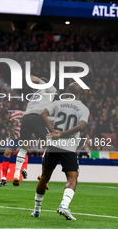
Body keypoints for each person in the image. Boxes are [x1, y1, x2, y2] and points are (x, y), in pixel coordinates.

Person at [31, 82, 90, 220]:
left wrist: (52, 130)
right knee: (72, 178)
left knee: (44, 177)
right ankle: (64, 205)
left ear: (68, 91)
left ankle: (36, 210)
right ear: (80, 93)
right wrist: (63, 134)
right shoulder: (83, 108)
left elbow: (42, 113)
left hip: (53, 146)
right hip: (68, 148)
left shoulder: (58, 103)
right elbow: (82, 125)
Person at [13, 76, 57, 186]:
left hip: (26, 117)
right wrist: (38, 80)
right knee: (48, 146)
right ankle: (43, 175)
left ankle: (16, 174)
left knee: (24, 148)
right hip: (36, 117)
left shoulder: (35, 95)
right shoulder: (49, 91)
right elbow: (51, 89)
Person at [0, 108, 27, 187]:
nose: (4, 121)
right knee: (6, 154)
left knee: (23, 151)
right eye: (2, 119)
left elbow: (27, 114)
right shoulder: (2, 115)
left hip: (21, 136)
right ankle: (3, 179)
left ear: (8, 115)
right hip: (12, 137)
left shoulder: (17, 114)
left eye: (5, 119)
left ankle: (24, 169)